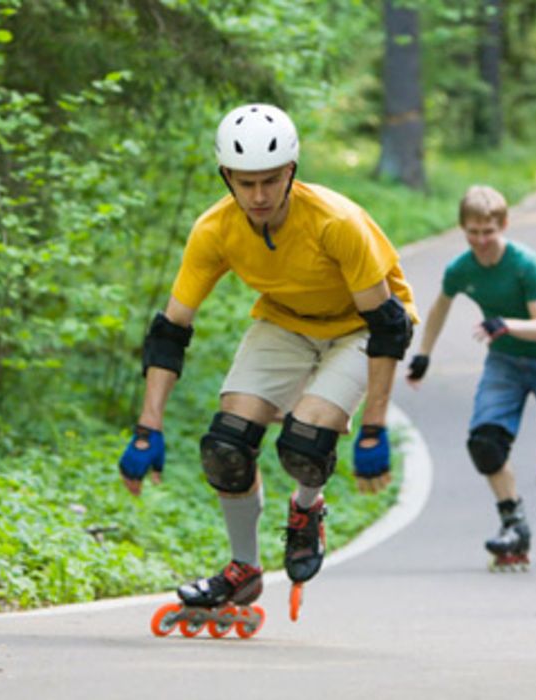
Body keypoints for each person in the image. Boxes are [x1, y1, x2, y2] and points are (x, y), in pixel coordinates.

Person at [117, 104, 417, 616]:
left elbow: (387, 325)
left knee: (306, 439)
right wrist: (149, 427)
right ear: (226, 176)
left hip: (359, 326)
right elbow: (170, 331)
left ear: (291, 173)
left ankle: (306, 510)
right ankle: (243, 570)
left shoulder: (335, 222)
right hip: (284, 320)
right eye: (245, 182)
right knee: (225, 444)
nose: (257, 196)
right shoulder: (214, 230)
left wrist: (374, 428)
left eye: (270, 181)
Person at [406, 185, 536, 570]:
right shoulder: (461, 268)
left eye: (488, 231)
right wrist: (424, 354)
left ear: (504, 225)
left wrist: (504, 324)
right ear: (463, 228)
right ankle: (514, 522)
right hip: (506, 360)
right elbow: (441, 305)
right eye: (472, 232)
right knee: (485, 443)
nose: (480, 240)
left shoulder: (525, 263)